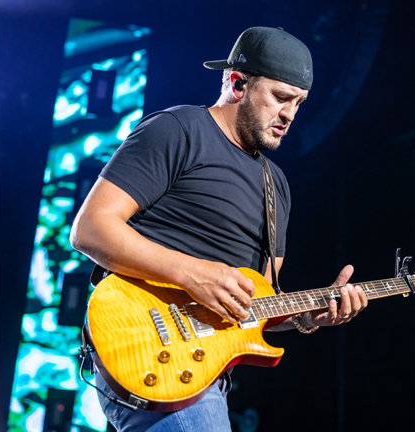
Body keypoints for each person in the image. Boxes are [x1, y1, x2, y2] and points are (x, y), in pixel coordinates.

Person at [70, 26, 368, 431]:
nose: (290, 115)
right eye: (281, 97)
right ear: (238, 83)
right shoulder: (178, 129)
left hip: (206, 372)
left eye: (298, 103)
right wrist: (194, 274)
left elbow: (257, 302)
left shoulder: (275, 184)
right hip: (145, 344)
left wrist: (309, 315)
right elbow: (90, 228)